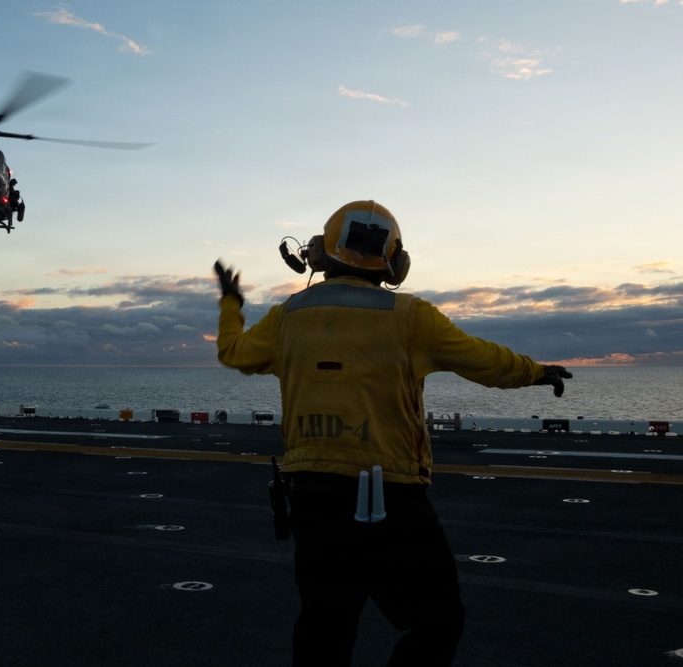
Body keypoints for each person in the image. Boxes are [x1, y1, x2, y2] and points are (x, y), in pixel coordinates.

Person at [213, 200, 572, 666]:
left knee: (325, 628)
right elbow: (485, 361)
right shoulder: (410, 315)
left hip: (314, 496)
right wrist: (537, 372)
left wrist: (231, 302)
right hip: (390, 497)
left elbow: (233, 351)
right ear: (395, 262)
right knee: (439, 621)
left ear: (319, 252)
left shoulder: (287, 317)